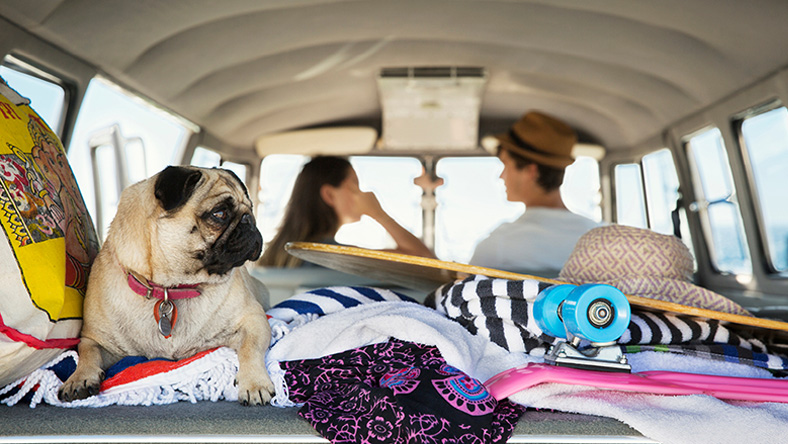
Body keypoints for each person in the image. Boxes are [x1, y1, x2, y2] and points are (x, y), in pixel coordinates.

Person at [469, 111, 602, 274]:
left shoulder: (500, 245)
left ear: (531, 171)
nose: (501, 176)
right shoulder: (602, 239)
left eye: (505, 164)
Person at [259, 156, 435, 267]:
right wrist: (378, 214)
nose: (361, 192)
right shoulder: (337, 257)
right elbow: (424, 260)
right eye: (354, 184)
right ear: (329, 195)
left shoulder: (274, 255)